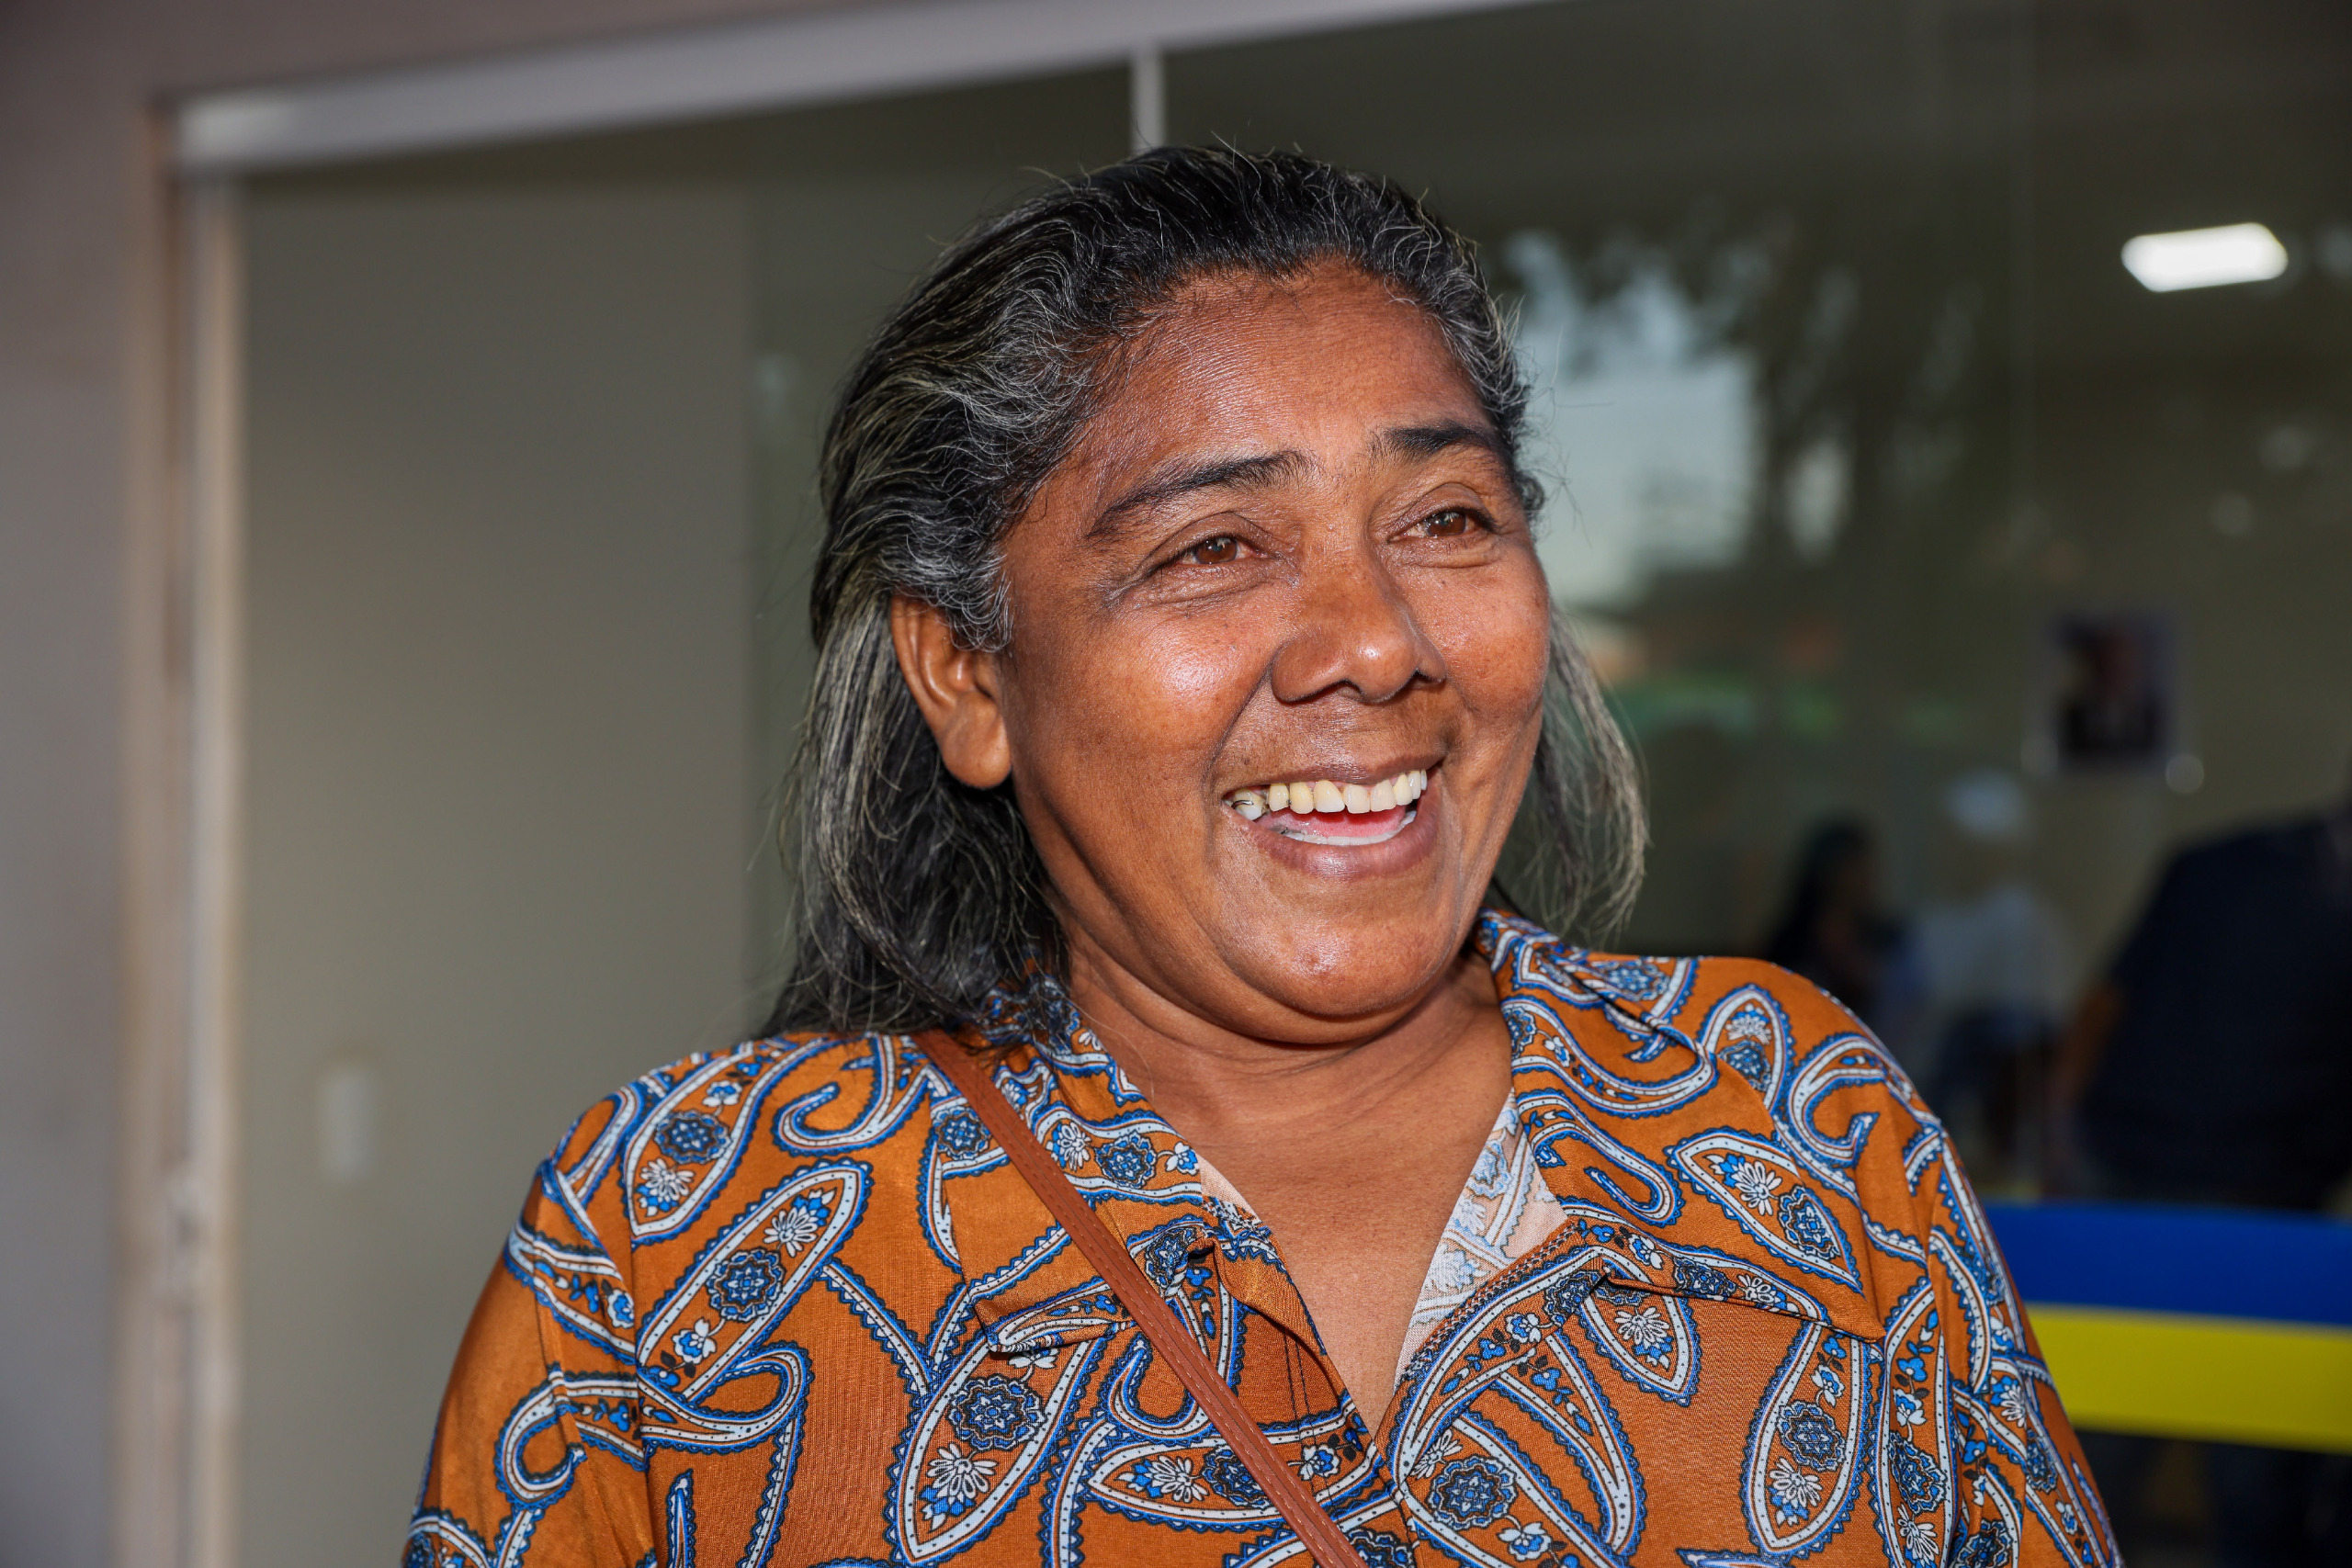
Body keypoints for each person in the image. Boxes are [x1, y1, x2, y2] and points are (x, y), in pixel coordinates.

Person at [407, 149, 2109, 1568]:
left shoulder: (1793, 1120)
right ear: (969, 673)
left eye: (1446, 518)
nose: (1375, 642)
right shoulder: (678, 1241)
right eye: (1215, 546)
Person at [2050, 775, 2352, 1566]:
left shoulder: (2217, 860)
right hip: (2207, 1198)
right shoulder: (2221, 867)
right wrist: (2062, 1144)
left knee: (2214, 1474)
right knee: (2169, 1463)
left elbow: (2099, 1007)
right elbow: (2105, 1005)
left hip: (2196, 1191)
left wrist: (2062, 1137)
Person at [1760, 817, 1922, 1051]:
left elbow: (1907, 1009)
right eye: (1848, 869)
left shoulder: (1889, 940)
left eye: (1864, 869)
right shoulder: (1790, 942)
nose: (1858, 879)